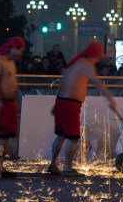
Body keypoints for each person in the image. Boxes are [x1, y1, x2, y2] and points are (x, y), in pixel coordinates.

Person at [48, 42, 118, 176]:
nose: (98, 59)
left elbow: (62, 82)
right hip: (70, 104)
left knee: (61, 135)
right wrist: (111, 99)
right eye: (98, 56)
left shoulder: (74, 63)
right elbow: (98, 83)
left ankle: (53, 164)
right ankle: (68, 168)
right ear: (93, 55)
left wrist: (55, 104)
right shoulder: (86, 65)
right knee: (73, 138)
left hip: (62, 101)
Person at [0, 36, 26, 178]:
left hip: (10, 103)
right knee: (1, 137)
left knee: (6, 137)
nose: (20, 54)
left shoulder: (10, 62)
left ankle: (0, 166)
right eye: (19, 50)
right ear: (12, 47)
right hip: (2, 102)